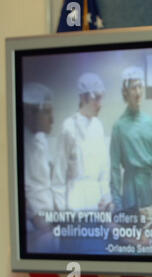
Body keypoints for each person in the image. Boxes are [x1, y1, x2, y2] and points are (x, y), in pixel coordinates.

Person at [110, 66, 152, 212]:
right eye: (133, 88)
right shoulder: (119, 127)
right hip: (130, 188)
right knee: (133, 232)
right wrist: (117, 204)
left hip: (149, 186)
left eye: (140, 87)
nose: (138, 93)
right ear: (125, 92)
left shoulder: (150, 123)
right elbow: (114, 169)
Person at [53, 72, 111, 212]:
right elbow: (58, 177)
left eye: (101, 98)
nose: (100, 104)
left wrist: (106, 198)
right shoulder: (68, 127)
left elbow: (104, 170)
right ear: (84, 97)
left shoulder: (98, 126)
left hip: (98, 203)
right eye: (97, 99)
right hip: (75, 203)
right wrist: (61, 215)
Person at [22, 82, 57, 252]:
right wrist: (42, 225)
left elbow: (49, 171)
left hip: (49, 218)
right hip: (35, 225)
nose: (53, 120)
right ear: (31, 113)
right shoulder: (19, 144)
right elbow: (21, 192)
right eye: (48, 113)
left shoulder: (41, 138)